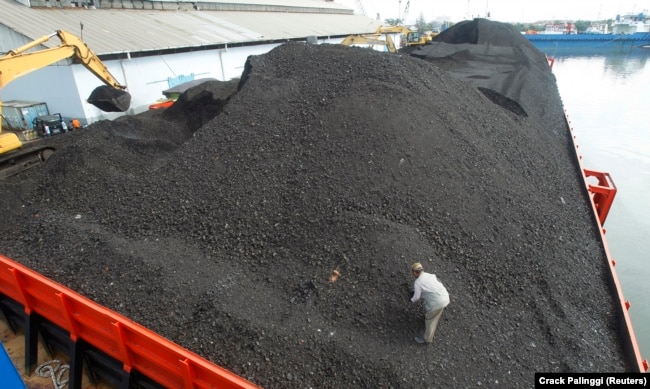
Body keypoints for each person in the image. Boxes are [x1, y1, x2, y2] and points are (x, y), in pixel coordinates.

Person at [410, 262, 450, 344]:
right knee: (436, 312)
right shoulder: (430, 275)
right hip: (445, 296)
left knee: (430, 320)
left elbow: (417, 297)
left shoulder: (418, 282)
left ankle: (427, 339)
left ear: (414, 272)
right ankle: (433, 317)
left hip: (437, 302)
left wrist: (411, 300)